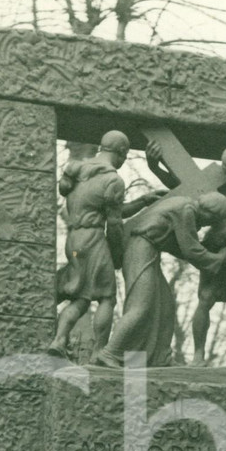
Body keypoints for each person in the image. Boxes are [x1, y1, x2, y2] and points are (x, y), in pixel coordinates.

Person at [146, 142, 226, 365]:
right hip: (216, 248)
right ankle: (198, 354)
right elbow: (183, 188)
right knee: (205, 299)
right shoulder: (219, 177)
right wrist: (155, 167)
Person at [91, 191, 226, 368]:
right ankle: (109, 352)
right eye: (210, 221)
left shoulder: (184, 204)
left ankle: (161, 356)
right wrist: (221, 258)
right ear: (209, 213)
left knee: (166, 305)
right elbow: (191, 250)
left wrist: (207, 254)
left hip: (148, 251)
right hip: (139, 249)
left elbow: (177, 245)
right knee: (141, 306)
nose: (206, 225)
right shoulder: (187, 210)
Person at [47, 130, 159, 360]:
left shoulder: (78, 171)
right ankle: (100, 352)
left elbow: (112, 210)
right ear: (120, 152)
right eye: (124, 156)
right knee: (107, 297)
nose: (123, 160)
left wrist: (143, 201)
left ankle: (59, 339)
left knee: (81, 297)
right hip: (94, 240)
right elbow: (115, 223)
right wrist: (117, 253)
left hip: (75, 241)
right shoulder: (112, 180)